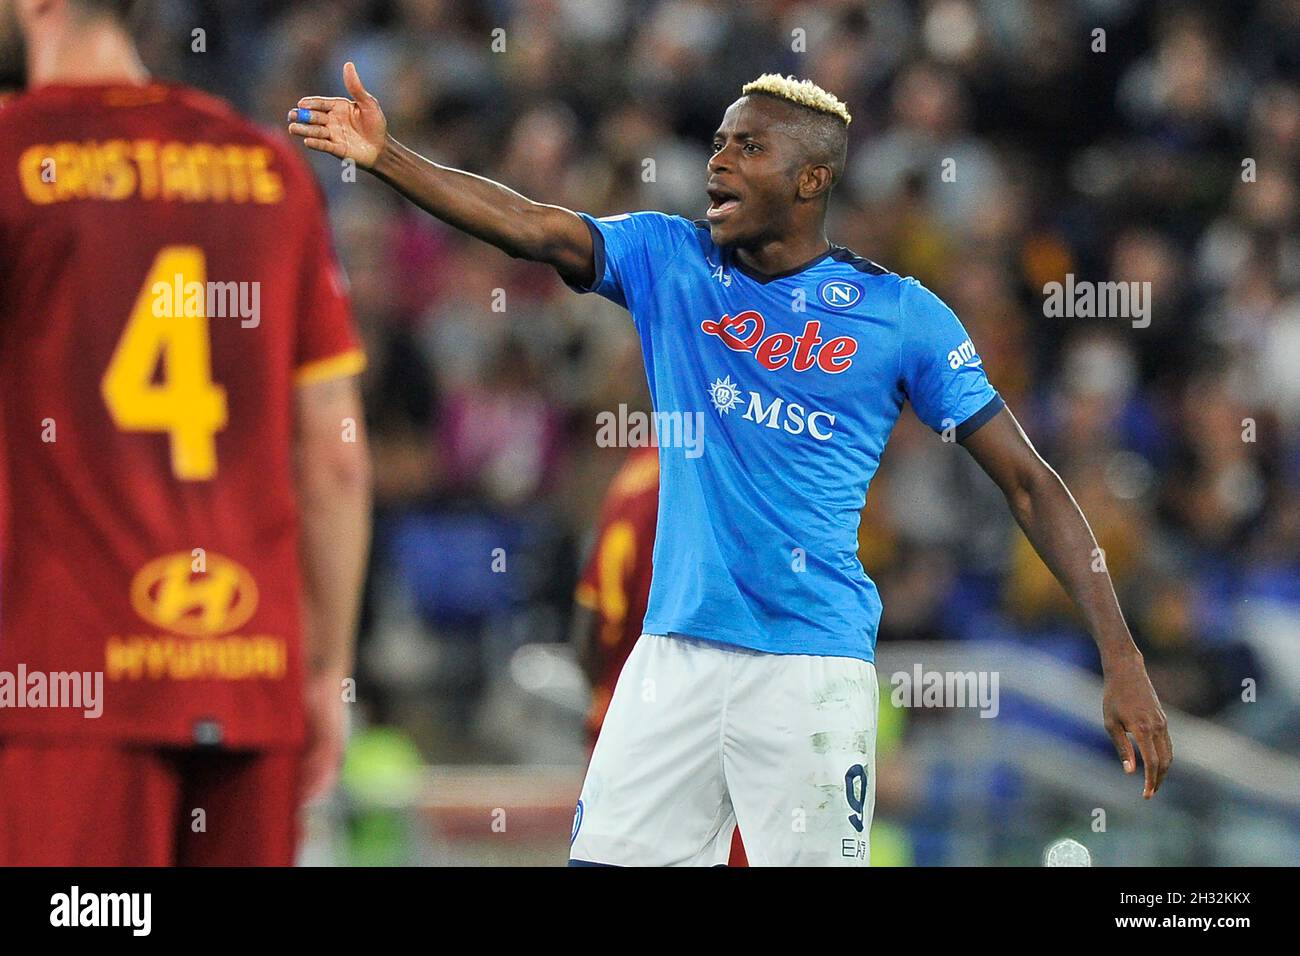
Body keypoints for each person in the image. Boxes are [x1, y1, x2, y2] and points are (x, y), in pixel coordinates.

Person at [289, 63, 1172, 867]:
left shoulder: (902, 315)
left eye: (749, 147)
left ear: (811, 179)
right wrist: (389, 156)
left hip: (809, 669)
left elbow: (1027, 480)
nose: (720, 162)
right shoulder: (669, 260)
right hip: (672, 655)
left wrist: (1120, 656)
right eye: (717, 142)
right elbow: (532, 226)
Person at [0, 0, 371, 865]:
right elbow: (334, 457)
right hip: (251, 679)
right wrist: (326, 669)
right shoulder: (268, 167)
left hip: (62, 686)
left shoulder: (16, 159)